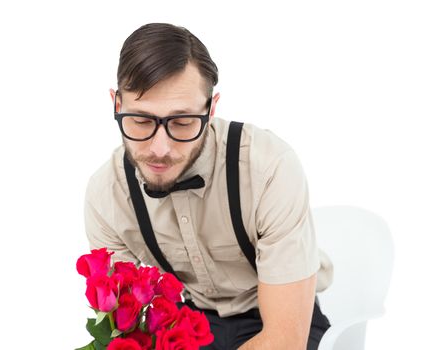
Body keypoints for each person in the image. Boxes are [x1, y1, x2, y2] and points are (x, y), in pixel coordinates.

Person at [84, 22, 333, 350]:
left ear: (211, 109)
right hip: (190, 320)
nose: (160, 148)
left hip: (279, 314)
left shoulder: (269, 167)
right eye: (141, 121)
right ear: (117, 104)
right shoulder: (108, 196)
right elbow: (126, 330)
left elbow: (284, 341)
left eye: (182, 122)